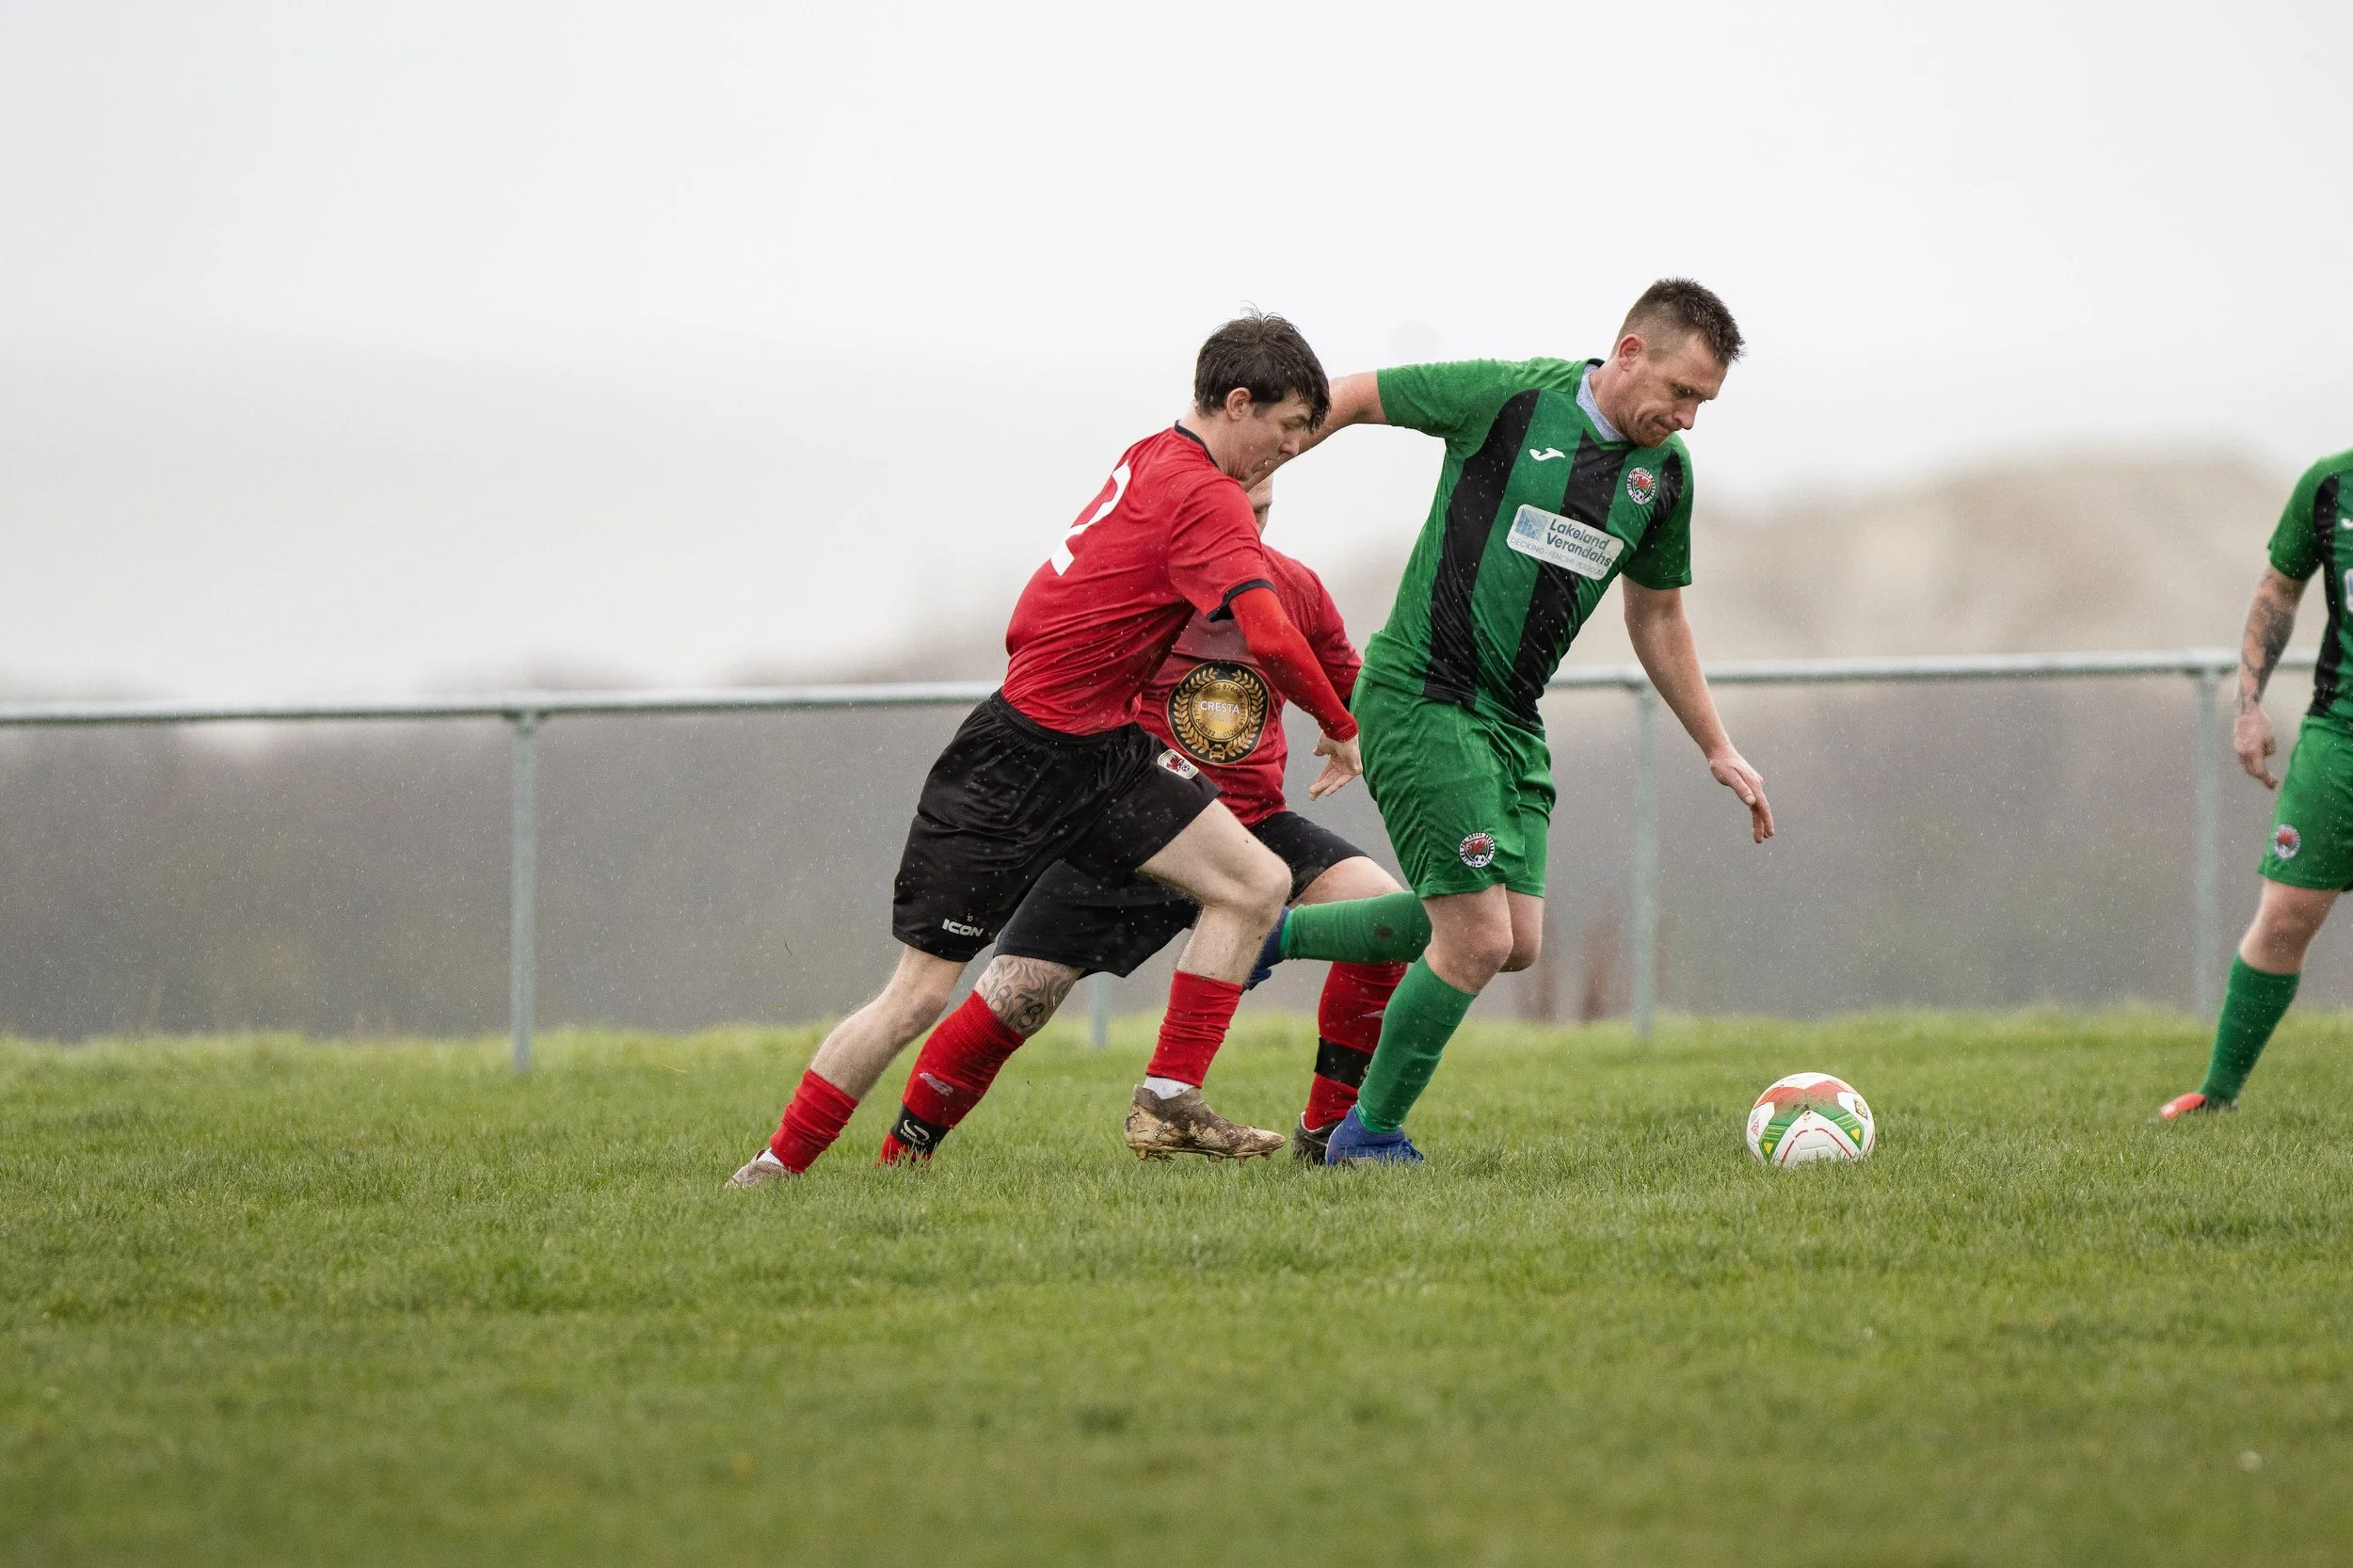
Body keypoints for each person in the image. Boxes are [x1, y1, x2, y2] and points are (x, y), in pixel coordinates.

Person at [728, 314, 1363, 1184]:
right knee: (917, 995)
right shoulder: (1204, 492)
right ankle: (774, 1167)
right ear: (1239, 402)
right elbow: (1273, 638)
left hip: (1104, 751)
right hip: (1016, 762)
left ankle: (1168, 1098)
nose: (1293, 448)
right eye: (1289, 428)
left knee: (1256, 883)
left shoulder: (1154, 452)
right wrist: (1341, 726)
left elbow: (1039, 615)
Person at [1255, 279, 1776, 1165]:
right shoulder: (1508, 398)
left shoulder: (1663, 479)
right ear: (1630, 352)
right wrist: (1247, 475)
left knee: (1513, 943)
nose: (1688, 418)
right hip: (1424, 694)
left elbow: (1657, 617)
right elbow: (1355, 394)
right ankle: (1365, 1137)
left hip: (1509, 722)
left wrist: (1717, 745)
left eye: (1704, 404)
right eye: (1682, 392)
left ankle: (1267, 932)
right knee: (1476, 935)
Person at [872, 477, 1410, 1167]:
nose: (1246, 532)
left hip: (1253, 828)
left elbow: (1348, 682)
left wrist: (1364, 726)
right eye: (1236, 516)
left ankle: (1328, 1137)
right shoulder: (1144, 593)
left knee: (1387, 921)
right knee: (1013, 1003)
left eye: (1263, 514)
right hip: (1131, 830)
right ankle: (902, 1156)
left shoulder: (1293, 589)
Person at [2155, 447, 2353, 1121]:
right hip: (2340, 739)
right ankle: (2218, 1094)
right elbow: (2278, 589)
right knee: (2286, 915)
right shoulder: (2329, 486)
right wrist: (2247, 705)